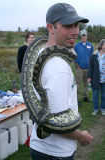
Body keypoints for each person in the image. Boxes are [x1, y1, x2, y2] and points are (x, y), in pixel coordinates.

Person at [30, 3, 93, 160]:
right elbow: (58, 124)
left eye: (76, 26)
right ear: (50, 28)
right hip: (55, 152)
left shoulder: (40, 52)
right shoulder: (57, 68)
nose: (75, 32)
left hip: (41, 146)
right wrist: (81, 137)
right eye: (67, 26)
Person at [74, 29, 94, 106]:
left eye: (85, 35)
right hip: (79, 69)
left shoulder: (90, 45)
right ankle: (76, 99)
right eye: (83, 36)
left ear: (87, 36)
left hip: (88, 69)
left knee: (86, 84)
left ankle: (85, 97)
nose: (84, 37)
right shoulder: (77, 46)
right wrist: (77, 66)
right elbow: (74, 56)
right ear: (81, 37)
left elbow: (92, 57)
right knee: (78, 84)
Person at [87, 39, 105, 116]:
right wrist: (89, 77)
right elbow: (90, 67)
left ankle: (103, 109)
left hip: (104, 80)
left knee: (104, 96)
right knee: (95, 96)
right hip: (95, 79)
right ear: (101, 45)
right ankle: (95, 109)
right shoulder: (94, 55)